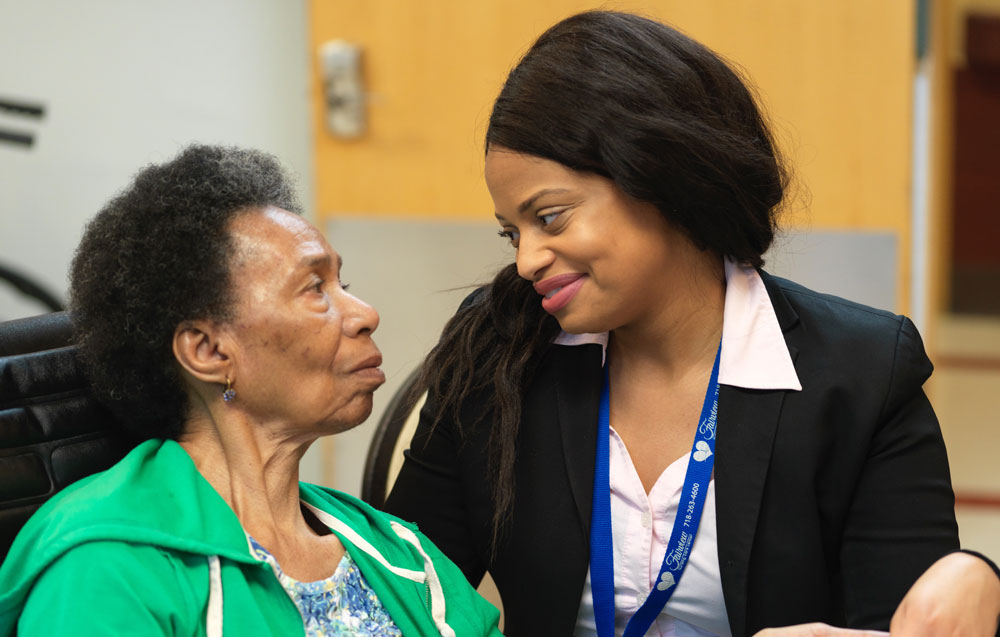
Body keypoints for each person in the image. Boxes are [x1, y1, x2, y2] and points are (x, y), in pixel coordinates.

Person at [383, 10, 1000, 637]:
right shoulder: (502, 346)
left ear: (661, 175)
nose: (526, 259)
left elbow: (916, 618)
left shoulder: (863, 373)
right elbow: (400, 595)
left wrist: (975, 580)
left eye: (552, 217)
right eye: (512, 231)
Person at [0, 145, 501, 636]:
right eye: (314, 288)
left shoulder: (396, 553)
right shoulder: (107, 568)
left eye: (342, 283)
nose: (365, 314)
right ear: (208, 351)